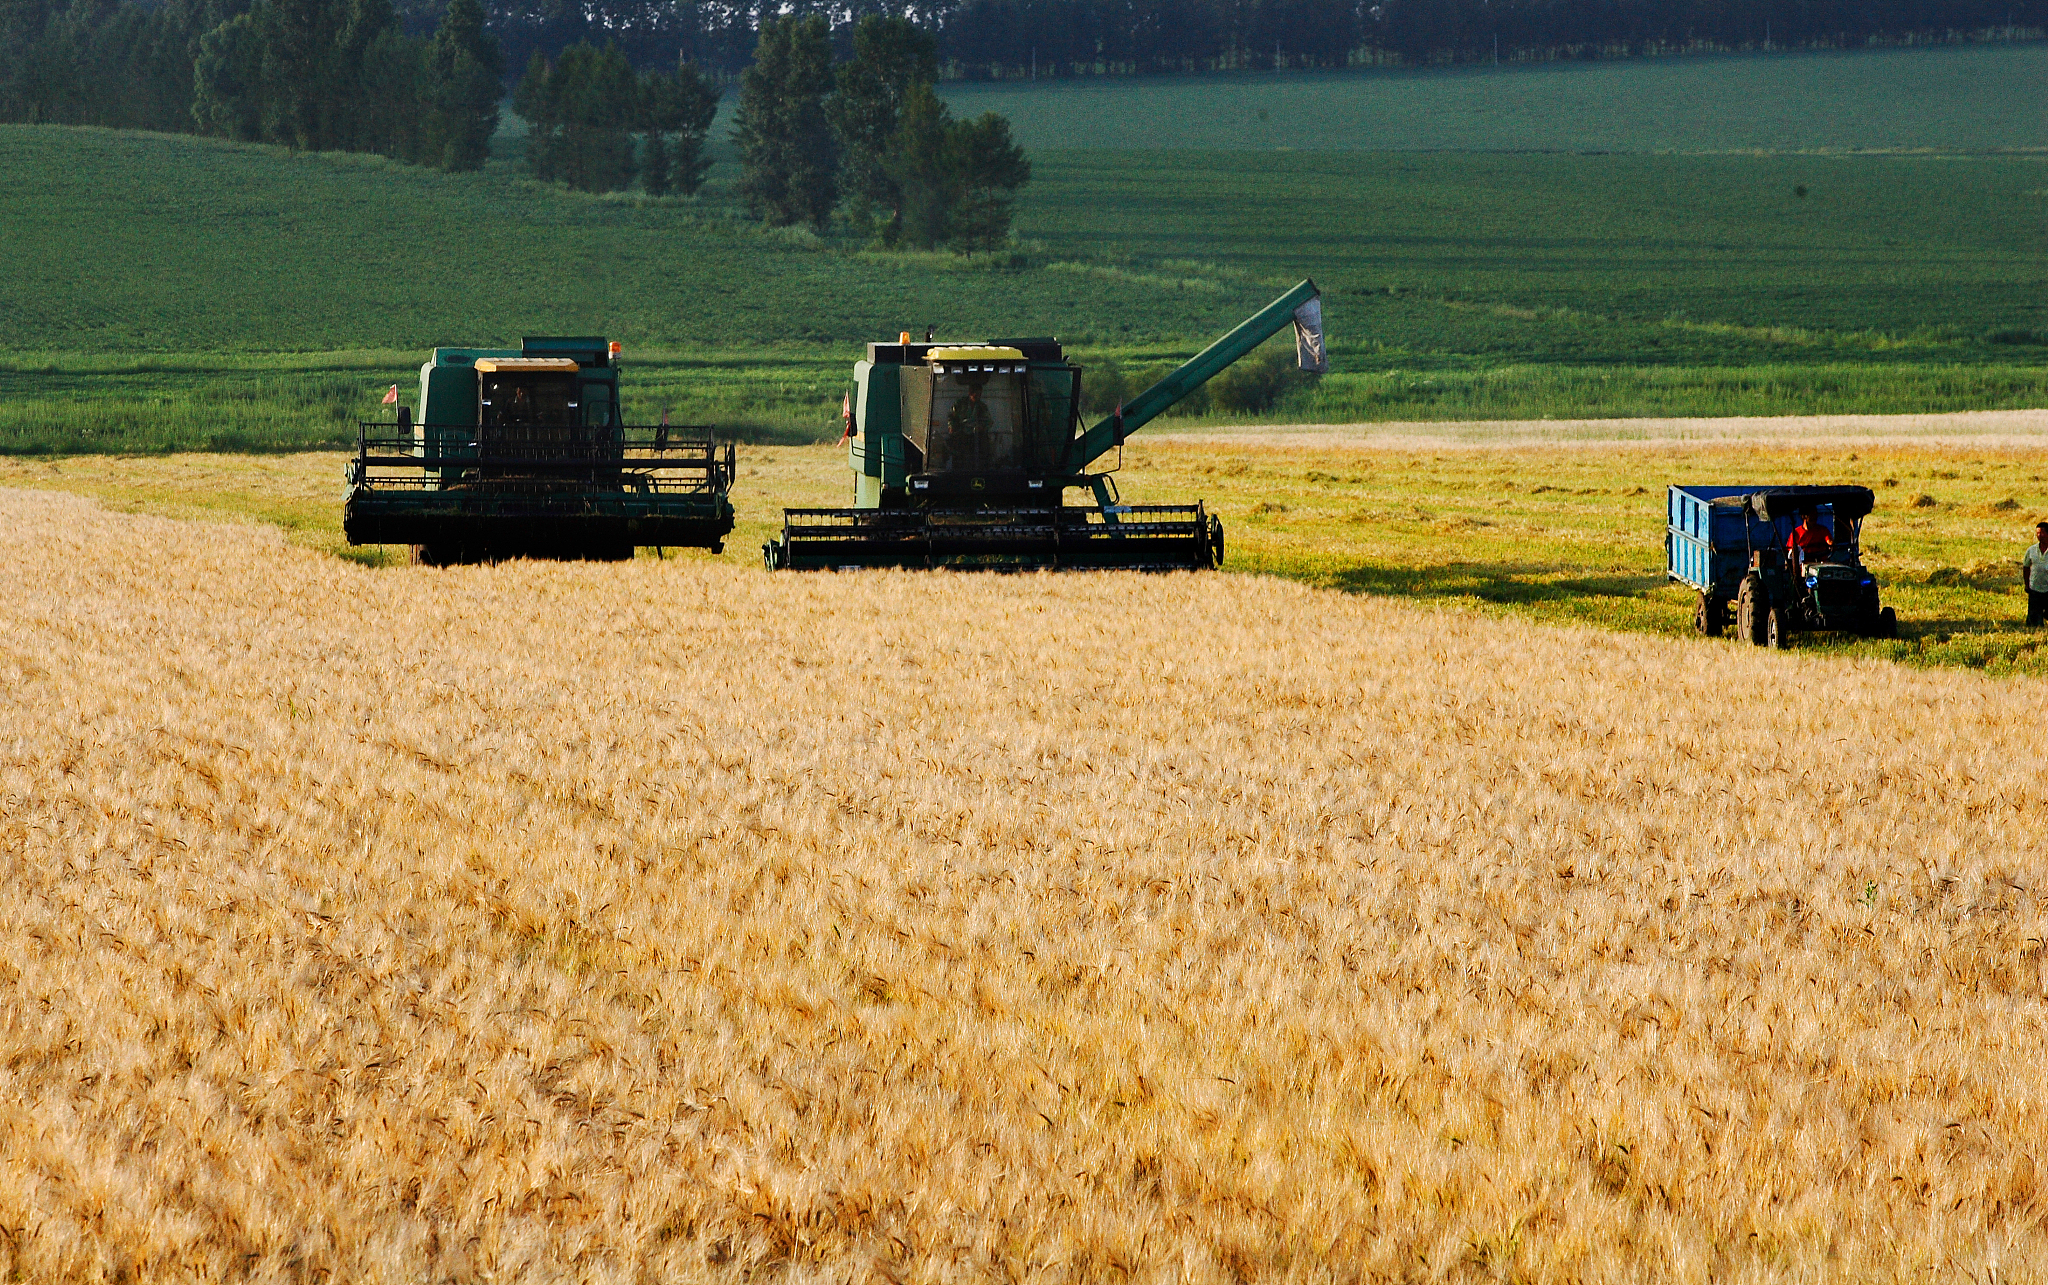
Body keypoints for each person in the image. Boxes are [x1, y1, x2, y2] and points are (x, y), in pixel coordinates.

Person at [1786, 505, 1832, 572]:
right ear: (1803, 516)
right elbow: (1791, 551)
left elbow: (1829, 540)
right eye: (1812, 515)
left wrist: (1831, 544)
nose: (1815, 517)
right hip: (1803, 567)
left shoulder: (1823, 530)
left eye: (1815, 515)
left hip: (1821, 565)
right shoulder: (1796, 533)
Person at [2025, 521, 2048, 627]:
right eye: (2038, 533)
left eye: (2042, 533)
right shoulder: (2031, 550)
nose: (2039, 536)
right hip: (2035, 587)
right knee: (2034, 618)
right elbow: (2026, 567)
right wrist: (2027, 584)